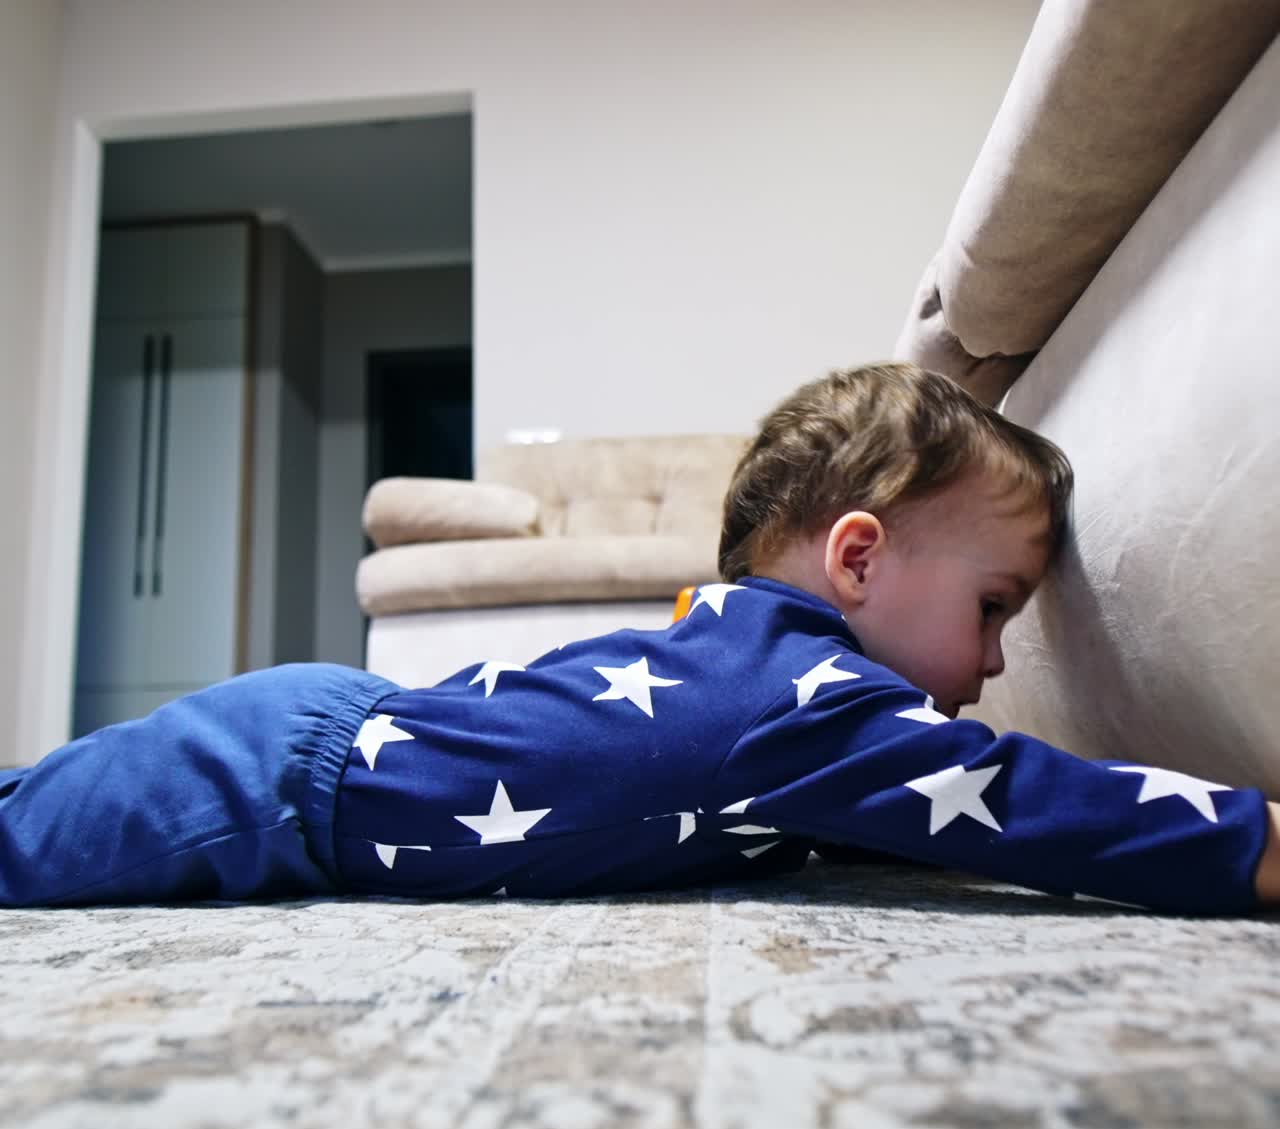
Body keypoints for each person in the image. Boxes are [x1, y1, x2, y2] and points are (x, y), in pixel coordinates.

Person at [2, 362, 1277, 912]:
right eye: (991, 606)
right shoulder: (805, 701)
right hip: (278, 782)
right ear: (855, 556)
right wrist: (1255, 843)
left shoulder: (743, 644)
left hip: (316, 741)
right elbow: (1034, 801)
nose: (995, 662)